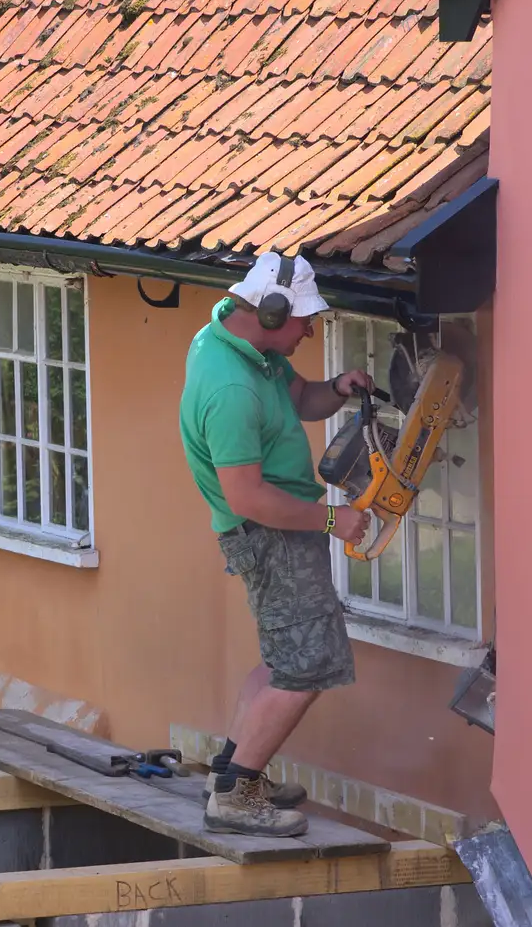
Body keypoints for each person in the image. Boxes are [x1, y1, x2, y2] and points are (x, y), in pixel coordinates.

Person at [177, 250, 373, 837]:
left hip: (278, 531)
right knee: (309, 665)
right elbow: (248, 498)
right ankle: (236, 797)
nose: (310, 329)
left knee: (283, 661)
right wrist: (332, 522)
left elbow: (302, 400)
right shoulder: (231, 389)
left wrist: (338, 387)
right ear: (269, 312)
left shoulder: (239, 347)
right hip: (270, 534)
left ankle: (231, 775)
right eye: (304, 319)